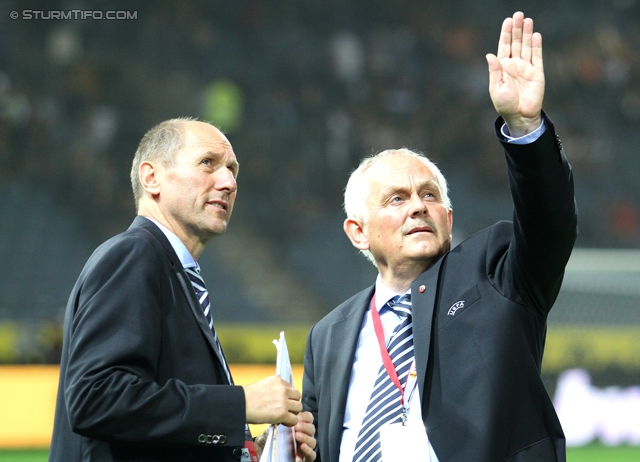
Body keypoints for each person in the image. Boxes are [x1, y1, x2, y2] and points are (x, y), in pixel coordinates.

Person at [302, 11, 577, 462]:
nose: (417, 206)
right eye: (395, 199)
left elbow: (551, 223)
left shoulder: (496, 272)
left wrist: (525, 128)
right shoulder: (327, 335)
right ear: (358, 232)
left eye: (429, 196)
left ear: (448, 219)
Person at [49, 118, 317, 462]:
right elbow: (95, 397)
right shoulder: (134, 255)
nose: (229, 182)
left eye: (233, 170)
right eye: (208, 163)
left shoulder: (175, 273)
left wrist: (252, 451)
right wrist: (241, 404)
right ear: (152, 178)